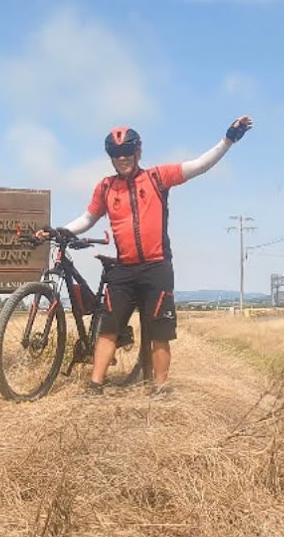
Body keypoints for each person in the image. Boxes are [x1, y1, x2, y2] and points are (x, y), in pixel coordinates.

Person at [38, 116, 253, 396]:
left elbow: (199, 165)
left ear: (138, 153)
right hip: (124, 269)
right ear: (111, 158)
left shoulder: (156, 178)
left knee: (160, 333)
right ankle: (95, 386)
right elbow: (89, 217)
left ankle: (160, 388)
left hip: (156, 268)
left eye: (128, 152)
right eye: (116, 154)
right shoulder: (105, 187)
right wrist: (61, 230)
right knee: (107, 329)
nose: (122, 157)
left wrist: (228, 140)